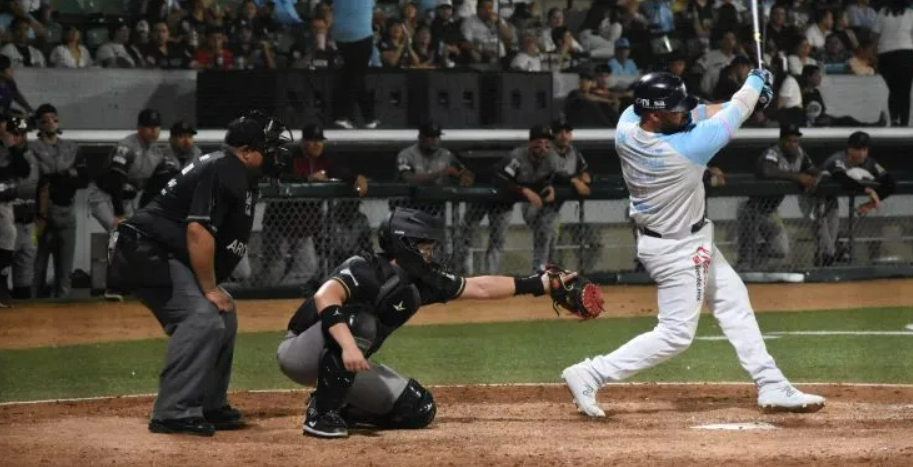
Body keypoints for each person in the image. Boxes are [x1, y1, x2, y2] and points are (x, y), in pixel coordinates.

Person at [561, 71, 826, 417]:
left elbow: (700, 112)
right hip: (678, 249)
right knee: (675, 335)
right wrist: (755, 84)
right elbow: (735, 114)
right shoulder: (687, 148)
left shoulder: (628, 123)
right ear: (654, 115)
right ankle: (591, 373)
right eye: (674, 110)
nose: (684, 113)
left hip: (682, 238)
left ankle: (771, 383)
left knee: (734, 301)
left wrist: (743, 100)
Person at [276, 207, 581, 438]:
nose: (431, 254)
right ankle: (321, 416)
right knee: (362, 322)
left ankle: (338, 403)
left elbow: (480, 287)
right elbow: (325, 297)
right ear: (404, 244)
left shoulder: (420, 282)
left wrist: (539, 285)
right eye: (425, 247)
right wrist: (347, 346)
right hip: (301, 352)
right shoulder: (365, 266)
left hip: (343, 361)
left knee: (418, 409)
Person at [107, 111, 292, 436]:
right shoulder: (226, 168)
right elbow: (198, 230)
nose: (278, 155)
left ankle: (209, 403)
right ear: (247, 151)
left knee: (225, 312)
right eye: (270, 147)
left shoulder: (237, 172)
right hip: (145, 251)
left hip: (158, 250)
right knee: (201, 318)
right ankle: (173, 412)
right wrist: (208, 287)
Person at [260, 123, 368, 287]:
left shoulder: (326, 159)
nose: (317, 144)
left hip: (304, 226)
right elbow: (278, 180)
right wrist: (308, 180)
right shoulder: (289, 156)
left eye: (319, 141)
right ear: (303, 142)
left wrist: (357, 177)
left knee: (307, 268)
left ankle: (279, 296)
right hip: (279, 224)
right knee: (274, 268)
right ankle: (262, 299)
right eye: (312, 140)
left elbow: (343, 173)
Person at [89, 109, 165, 301]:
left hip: (129, 199)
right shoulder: (127, 146)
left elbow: (152, 186)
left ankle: (127, 284)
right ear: (140, 128)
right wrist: (119, 213)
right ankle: (112, 287)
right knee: (119, 231)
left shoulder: (157, 152)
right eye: (148, 127)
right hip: (105, 196)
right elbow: (115, 180)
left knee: (135, 239)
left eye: (156, 127)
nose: (153, 131)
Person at [736, 124, 819, 269]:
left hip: (770, 211)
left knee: (780, 249)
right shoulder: (773, 152)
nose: (793, 144)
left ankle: (755, 258)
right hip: (751, 208)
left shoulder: (800, 154)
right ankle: (746, 268)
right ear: (781, 140)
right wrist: (798, 177)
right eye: (789, 141)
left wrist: (815, 176)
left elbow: (812, 169)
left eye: (795, 141)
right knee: (745, 258)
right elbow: (768, 171)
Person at [29, 104, 88, 299]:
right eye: (45, 119)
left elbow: (83, 178)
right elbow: (39, 180)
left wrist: (60, 176)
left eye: (54, 118)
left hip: (67, 209)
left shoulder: (71, 147)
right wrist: (66, 174)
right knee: (37, 266)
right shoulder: (32, 149)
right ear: (38, 123)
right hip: (42, 214)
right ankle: (33, 305)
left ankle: (62, 312)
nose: (50, 123)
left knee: (65, 268)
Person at [817, 131, 895, 266]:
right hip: (813, 199)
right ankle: (823, 267)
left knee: (829, 244)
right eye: (858, 149)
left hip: (831, 201)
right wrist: (867, 190)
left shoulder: (869, 162)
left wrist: (869, 204)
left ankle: (828, 264)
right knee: (825, 243)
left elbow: (890, 184)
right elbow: (843, 179)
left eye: (865, 149)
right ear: (849, 148)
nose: (861, 153)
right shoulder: (837, 159)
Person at [548, 118, 599, 273]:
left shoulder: (573, 152)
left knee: (584, 240)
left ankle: (573, 273)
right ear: (553, 134)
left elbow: (586, 170)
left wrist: (586, 177)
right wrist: (574, 180)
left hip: (566, 205)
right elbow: (553, 174)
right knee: (550, 237)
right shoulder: (547, 151)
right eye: (560, 132)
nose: (564, 136)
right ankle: (547, 273)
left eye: (567, 132)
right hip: (544, 205)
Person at [331, 0, 379, 129]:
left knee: (354, 76)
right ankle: (343, 116)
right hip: (362, 34)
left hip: (340, 36)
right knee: (355, 76)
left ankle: (369, 117)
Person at [0, 113, 30, 307]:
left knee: (9, 239)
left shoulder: (14, 151)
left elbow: (23, 170)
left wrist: (11, 145)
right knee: (8, 236)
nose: (16, 136)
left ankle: (2, 286)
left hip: (6, 204)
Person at [872, 0, 913, 126]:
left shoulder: (883, 13)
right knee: (905, 90)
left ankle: (894, 118)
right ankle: (904, 121)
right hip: (906, 53)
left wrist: (875, 55)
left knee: (893, 89)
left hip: (886, 54)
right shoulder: (910, 13)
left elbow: (874, 35)